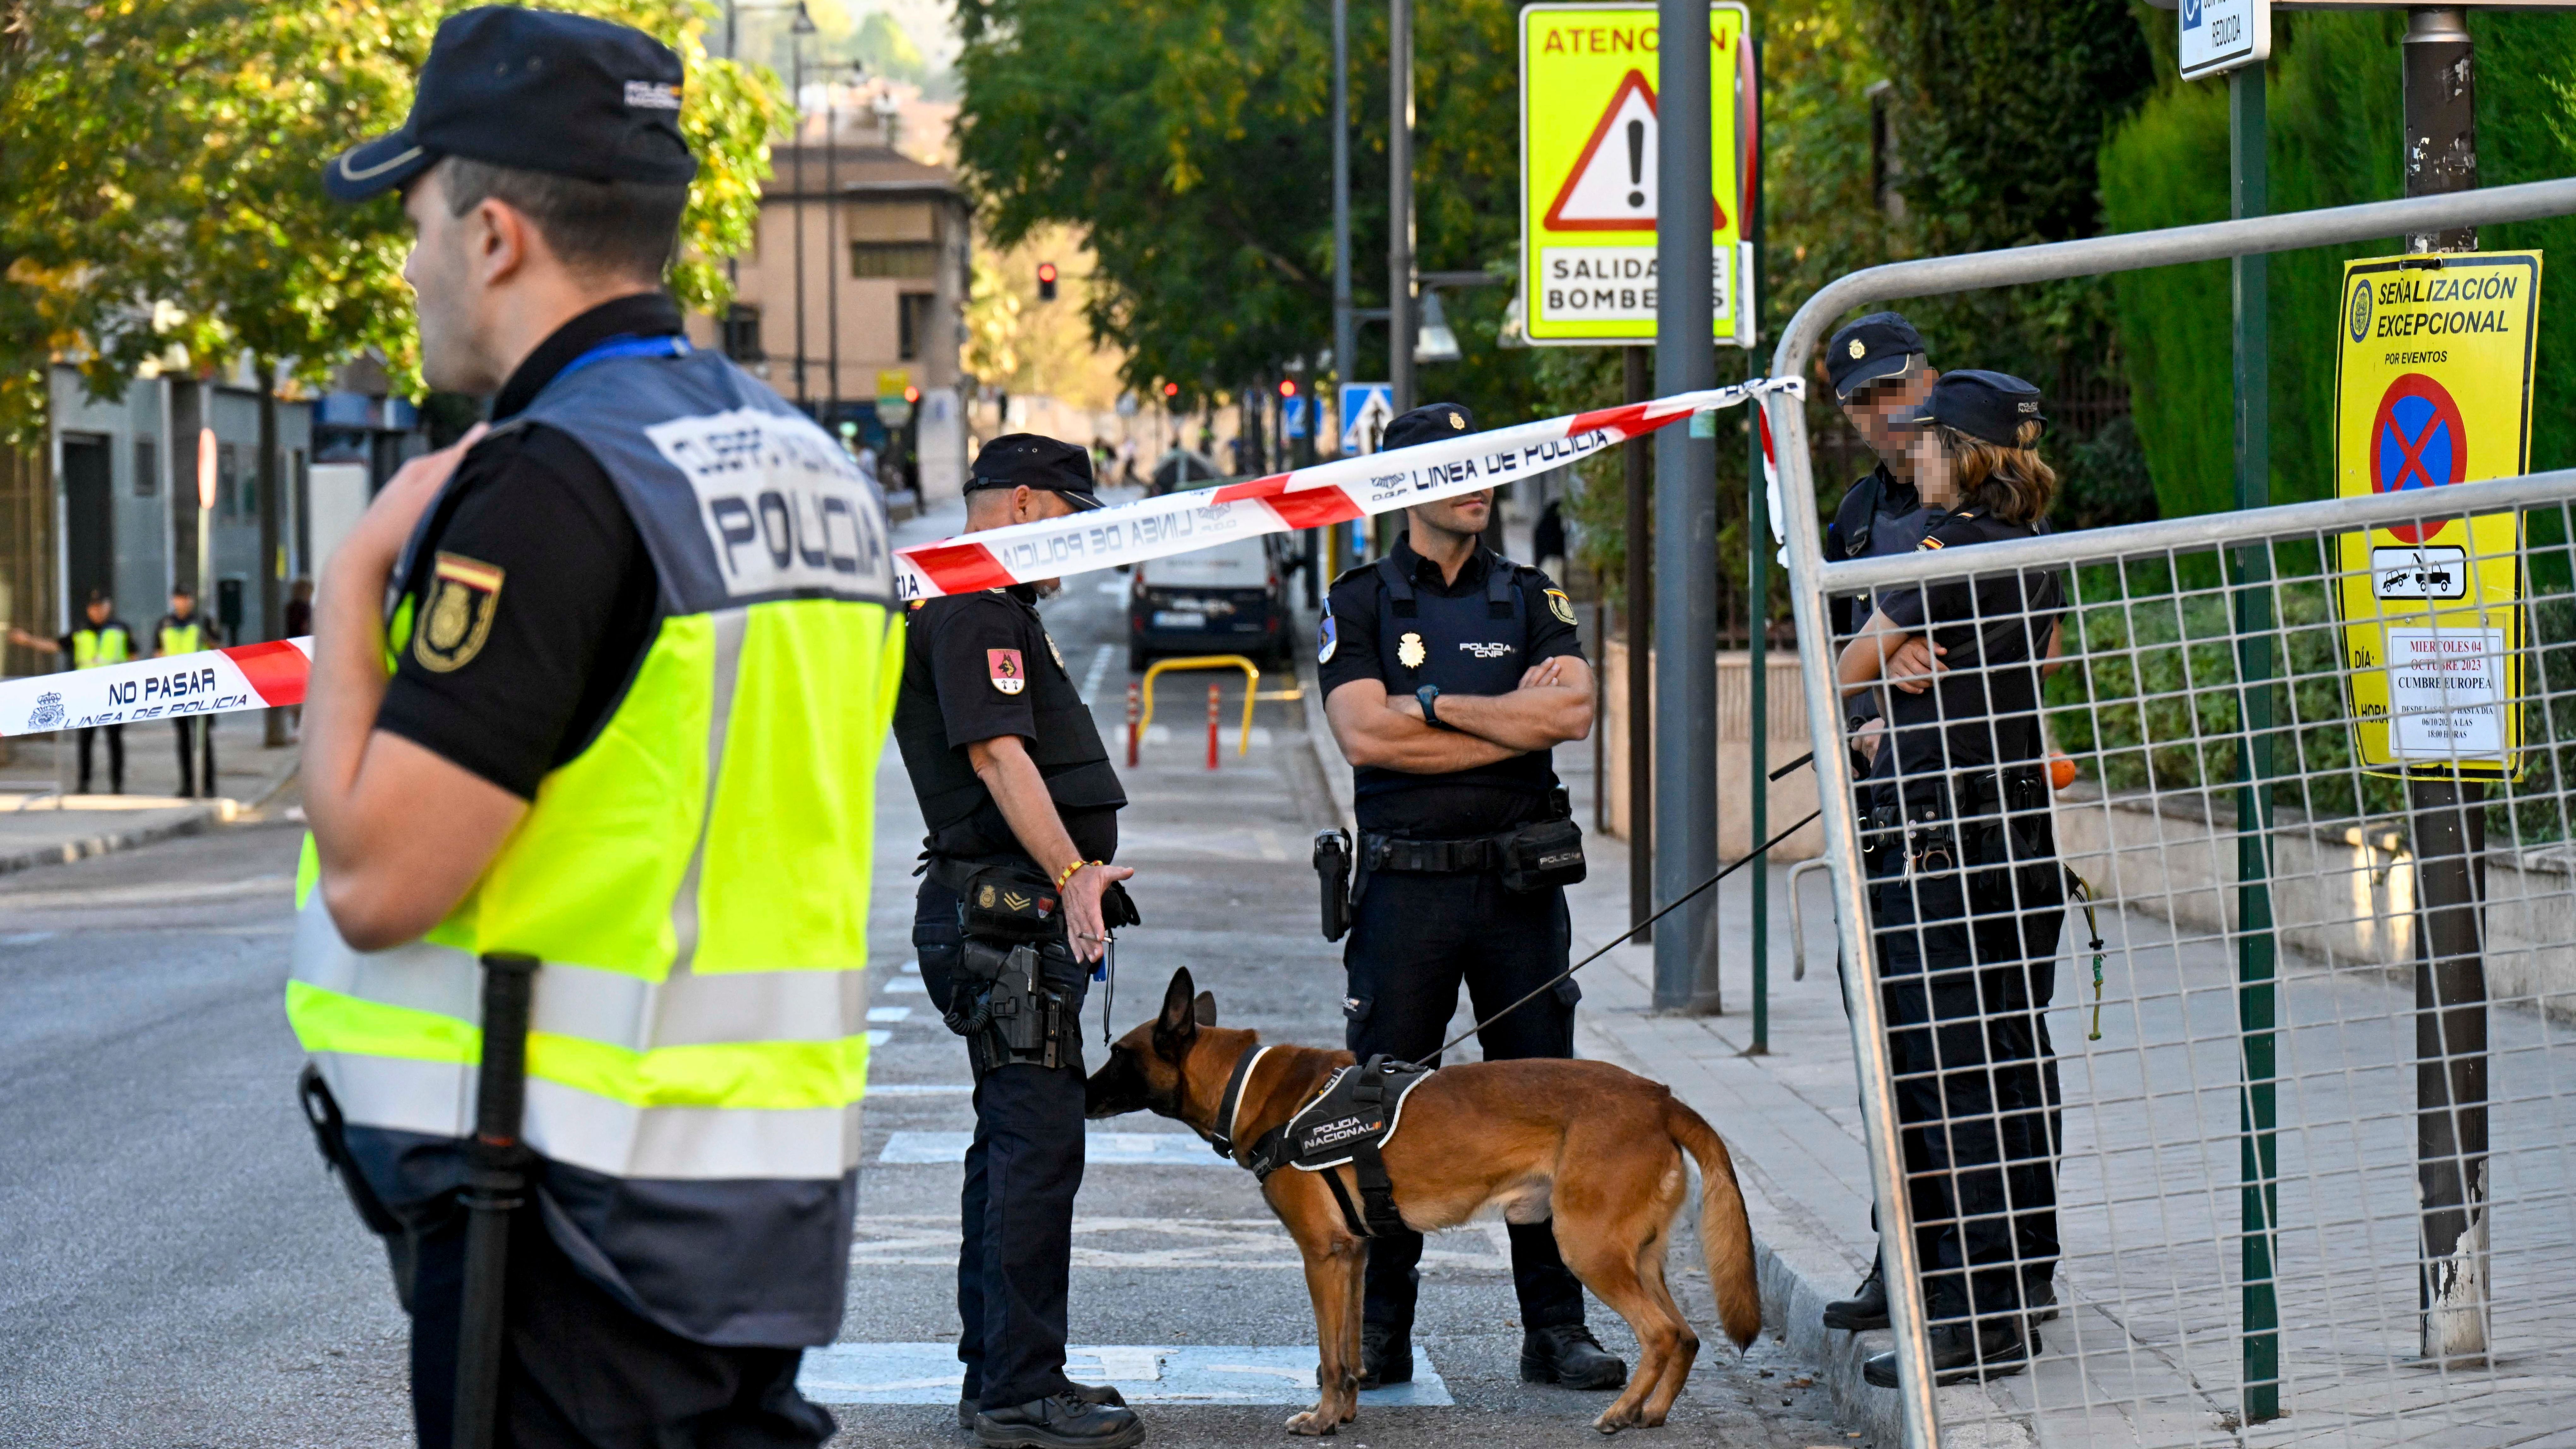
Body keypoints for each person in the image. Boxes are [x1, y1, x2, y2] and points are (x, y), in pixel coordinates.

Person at [290, 10, 898, 1446]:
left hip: (559, 1222)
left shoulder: (553, 483)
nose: (411, 259)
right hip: (752, 1211)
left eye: (422, 217)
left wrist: (350, 578)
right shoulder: (807, 464)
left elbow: (381, 881)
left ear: (495, 234)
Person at [1316, 402, 1622, 1394]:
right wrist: (1507, 722)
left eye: (1486, 467)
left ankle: (1555, 1328)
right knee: (1380, 1102)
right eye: (1456, 469)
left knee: (1541, 1104)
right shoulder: (1359, 599)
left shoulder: (1531, 593)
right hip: (1404, 890)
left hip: (1518, 889)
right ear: (1407, 486)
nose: (1479, 483)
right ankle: (1382, 1326)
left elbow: (1572, 710)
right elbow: (1365, 736)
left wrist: (1439, 706)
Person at [894, 433, 1145, 1449]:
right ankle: (1017, 1389)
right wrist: (1073, 871)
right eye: (1082, 523)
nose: (1082, 549)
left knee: (1014, 1149)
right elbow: (998, 754)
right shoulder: (971, 603)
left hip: (1012, 916)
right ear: (1031, 505)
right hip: (1003, 917)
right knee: (1035, 1149)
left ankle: (999, 1372)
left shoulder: (986, 604)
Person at [1834, 370, 2069, 1387]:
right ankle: (2014, 1290)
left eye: (1927, 439)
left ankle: (1975, 1314)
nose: (1912, 451)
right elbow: (2043, 659)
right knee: (2007, 1066)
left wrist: (1889, 667)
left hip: (1940, 848)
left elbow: (1846, 664)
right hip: (2017, 835)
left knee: (1948, 1078)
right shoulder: (2036, 552)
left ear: (1964, 456)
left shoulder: (1943, 548)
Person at [1816, 310, 1953, 1336]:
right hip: (1880, 819)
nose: (1880, 414)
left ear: (1931, 379)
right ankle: (1894, 1255)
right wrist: (1866, 707)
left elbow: (2028, 645)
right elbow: (1826, 654)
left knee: (1978, 1061)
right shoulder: (1859, 517)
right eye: (1860, 401)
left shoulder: (1984, 500)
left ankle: (1989, 1274)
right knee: (1886, 1057)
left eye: (1893, 389)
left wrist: (1902, 662)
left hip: (1970, 821)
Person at [10, 591, 137, 793]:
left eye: (101, 606)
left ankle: (117, 784)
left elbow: (133, 657)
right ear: (89, 609)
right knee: (85, 740)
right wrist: (28, 641)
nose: (97, 611)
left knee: (115, 739)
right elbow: (56, 645)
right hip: (87, 694)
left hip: (114, 693)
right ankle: (84, 783)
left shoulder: (121, 628)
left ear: (109, 606)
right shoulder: (80, 630)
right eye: (94, 607)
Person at [154, 584, 222, 798]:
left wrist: (207, 639)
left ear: (192, 600)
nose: (182, 602)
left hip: (201, 686)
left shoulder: (203, 622)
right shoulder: (165, 624)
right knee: (183, 739)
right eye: (179, 598)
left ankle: (208, 785)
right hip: (176, 688)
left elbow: (218, 648)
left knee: (203, 738)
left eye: (186, 598)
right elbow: (158, 653)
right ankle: (187, 785)